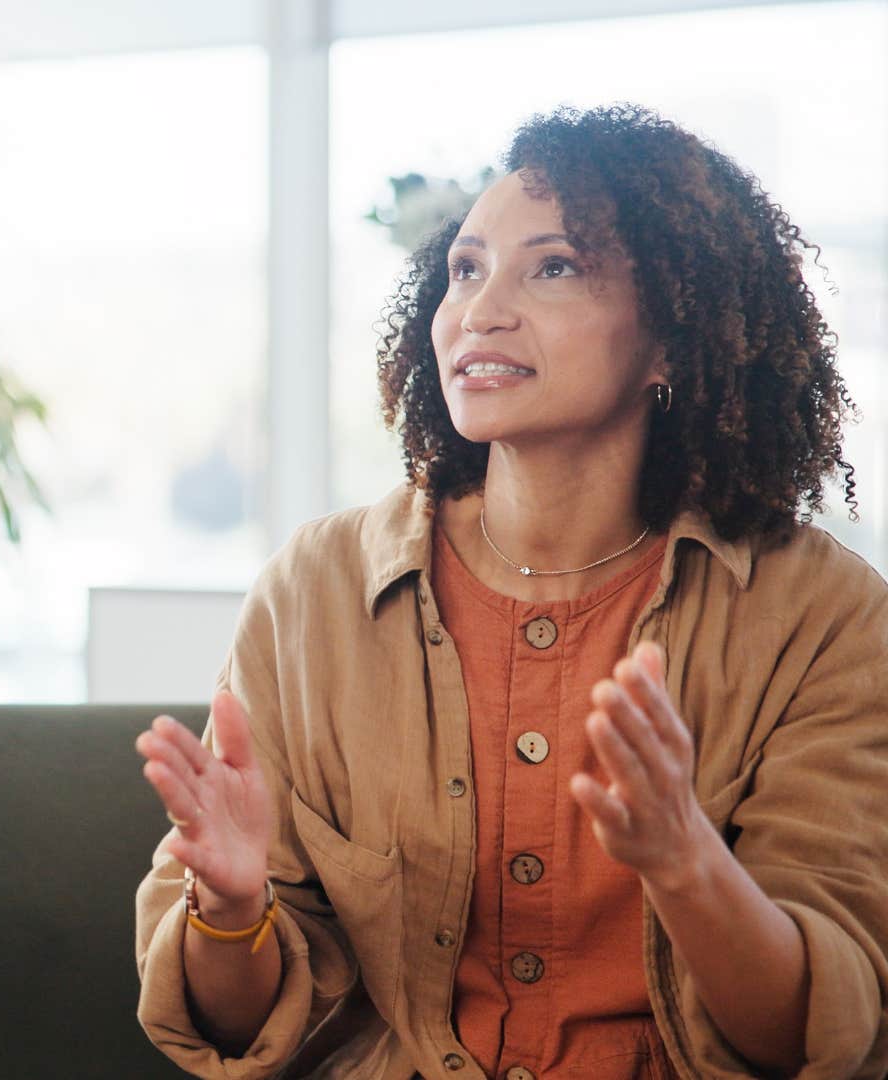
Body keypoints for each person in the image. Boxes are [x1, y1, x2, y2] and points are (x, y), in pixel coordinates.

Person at [135, 104, 888, 1078]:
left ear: (672, 337)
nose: (481, 309)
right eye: (465, 268)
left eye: (554, 267)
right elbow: (232, 1031)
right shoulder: (310, 593)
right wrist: (233, 912)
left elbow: (817, 1035)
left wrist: (685, 861)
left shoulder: (823, 617)